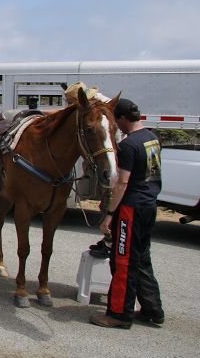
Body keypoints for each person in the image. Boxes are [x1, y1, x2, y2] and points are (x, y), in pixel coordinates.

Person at [90, 98, 164, 329]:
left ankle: (119, 314)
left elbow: (122, 182)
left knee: (122, 261)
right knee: (142, 258)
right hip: (149, 205)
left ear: (122, 119)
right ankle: (153, 309)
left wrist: (110, 213)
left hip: (131, 208)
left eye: (117, 121)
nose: (117, 127)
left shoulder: (129, 145)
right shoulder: (152, 138)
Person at [63, 82, 115, 258]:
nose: (70, 106)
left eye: (71, 103)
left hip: (113, 159)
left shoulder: (100, 108)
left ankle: (109, 241)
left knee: (110, 201)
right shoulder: (97, 103)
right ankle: (107, 240)